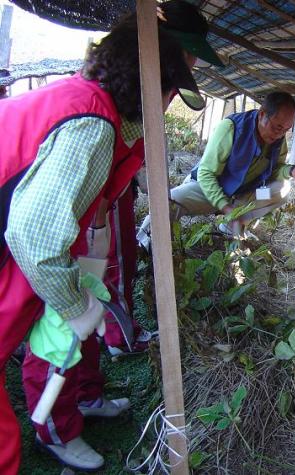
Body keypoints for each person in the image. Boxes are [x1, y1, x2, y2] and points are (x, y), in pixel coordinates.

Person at [0, 12, 203, 473]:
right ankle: (53, 429)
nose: (167, 104)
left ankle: (72, 408)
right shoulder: (92, 122)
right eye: (169, 90)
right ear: (149, 84)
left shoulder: (89, 105)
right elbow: (33, 235)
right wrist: (74, 305)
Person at [91, 0, 224, 356]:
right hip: (100, 196)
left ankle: (90, 374)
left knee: (112, 263)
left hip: (111, 189)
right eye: (190, 55)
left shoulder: (130, 88)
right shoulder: (100, 109)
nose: (192, 65)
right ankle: (117, 337)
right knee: (108, 265)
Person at [138, 90, 295, 243]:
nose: (279, 135)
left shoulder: (277, 139)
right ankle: (142, 244)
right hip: (208, 191)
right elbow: (206, 174)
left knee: (283, 189)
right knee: (168, 202)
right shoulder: (231, 128)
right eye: (277, 127)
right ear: (262, 114)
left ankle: (232, 226)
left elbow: (275, 169)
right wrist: (225, 207)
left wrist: (292, 170)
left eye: (285, 130)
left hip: (241, 196)